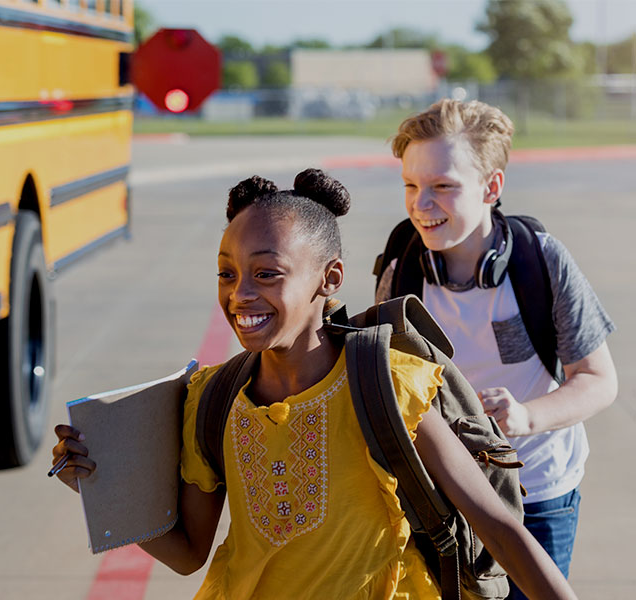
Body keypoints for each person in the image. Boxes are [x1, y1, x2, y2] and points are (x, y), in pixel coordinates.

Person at [53, 169, 577, 599]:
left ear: (329, 279)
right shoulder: (211, 401)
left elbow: (501, 530)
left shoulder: (385, 386)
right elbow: (189, 553)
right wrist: (103, 487)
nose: (240, 295)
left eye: (266, 274)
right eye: (226, 273)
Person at [375, 99, 617, 598]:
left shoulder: (540, 262)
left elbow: (598, 381)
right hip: (443, 491)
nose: (422, 203)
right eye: (412, 186)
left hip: (539, 492)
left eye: (443, 186)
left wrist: (523, 418)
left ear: (491, 188)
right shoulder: (402, 267)